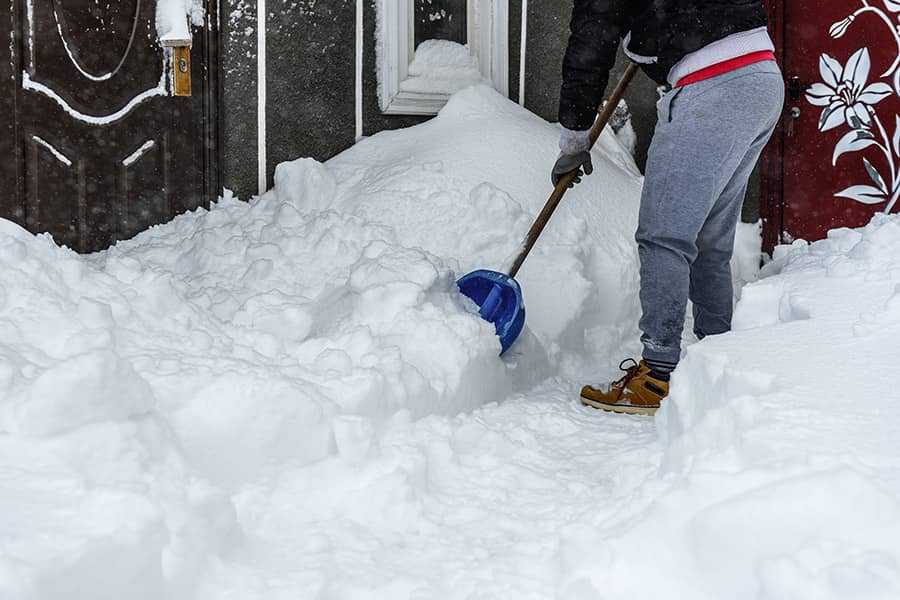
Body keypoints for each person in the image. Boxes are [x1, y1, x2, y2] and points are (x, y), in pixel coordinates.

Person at [552, 1, 784, 416]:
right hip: (761, 75)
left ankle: (658, 375)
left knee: (664, 237)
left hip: (713, 84)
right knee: (709, 240)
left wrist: (573, 138)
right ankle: (718, 362)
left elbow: (591, 43)